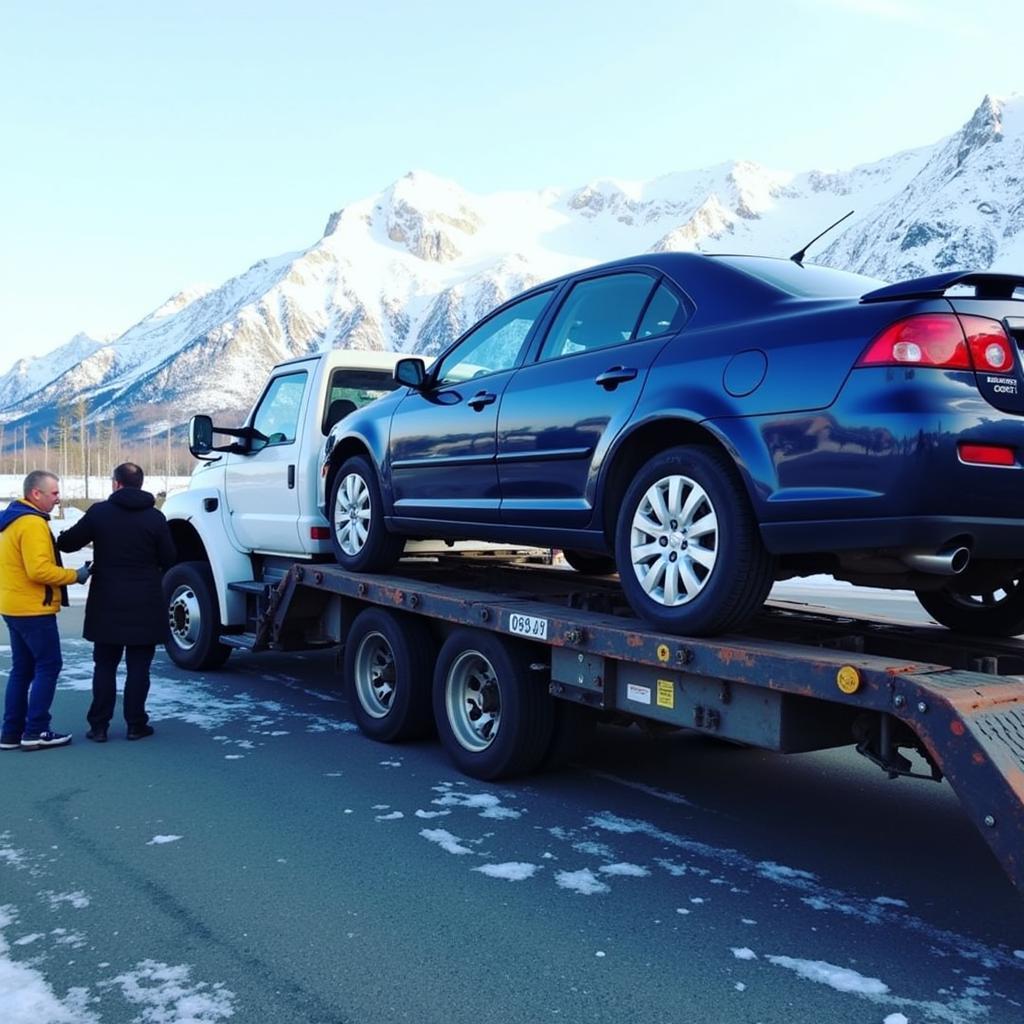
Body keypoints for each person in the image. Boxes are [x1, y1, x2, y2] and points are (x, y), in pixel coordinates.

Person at [58, 462, 176, 742]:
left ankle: (99, 726)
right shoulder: (155, 518)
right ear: (141, 483)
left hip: (106, 600)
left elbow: (68, 543)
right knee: (139, 667)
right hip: (145, 600)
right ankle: (136, 724)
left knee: (105, 665)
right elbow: (170, 558)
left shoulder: (100, 513)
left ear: (116, 483)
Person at [1, 471, 90, 751]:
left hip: (13, 605)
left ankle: (11, 732)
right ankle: (36, 730)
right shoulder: (31, 524)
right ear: (35, 494)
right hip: (33, 609)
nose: (58, 498)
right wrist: (76, 575)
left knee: (22, 669)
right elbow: (38, 569)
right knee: (48, 665)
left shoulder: (9, 521)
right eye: (53, 493)